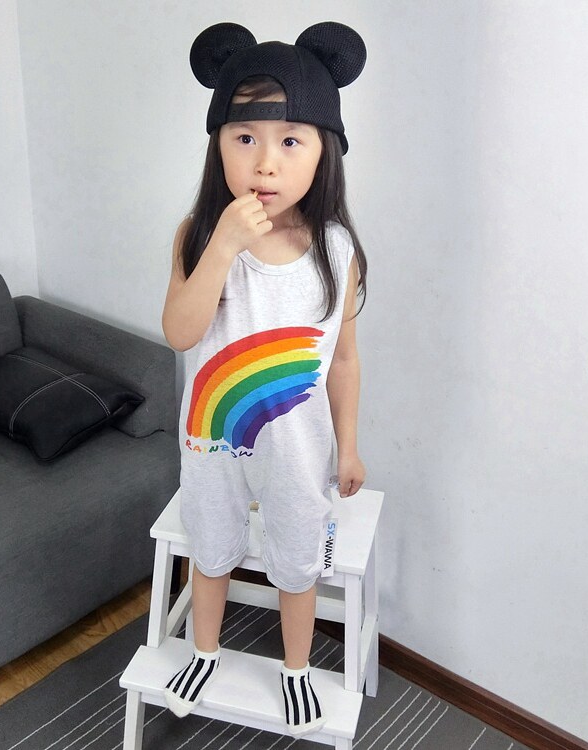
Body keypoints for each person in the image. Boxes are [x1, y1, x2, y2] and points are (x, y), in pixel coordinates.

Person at [161, 21, 368, 737]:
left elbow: (344, 359)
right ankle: (205, 651)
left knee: (297, 556)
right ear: (218, 144)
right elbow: (181, 332)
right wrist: (222, 244)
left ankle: (296, 667)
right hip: (213, 435)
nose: (265, 163)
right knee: (211, 543)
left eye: (290, 141)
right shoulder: (198, 233)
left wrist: (347, 447)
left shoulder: (336, 250)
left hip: (299, 447)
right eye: (245, 137)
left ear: (324, 151)